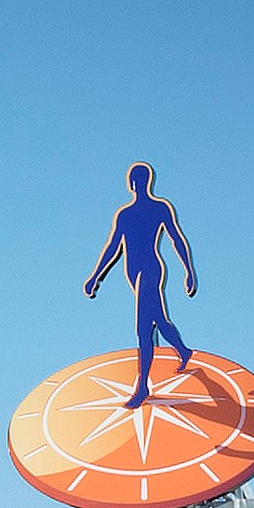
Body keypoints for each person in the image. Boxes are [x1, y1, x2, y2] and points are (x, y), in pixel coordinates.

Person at [83, 164, 200, 408]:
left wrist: (188, 270)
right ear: (133, 184)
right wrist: (96, 276)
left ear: (143, 183)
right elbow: (113, 247)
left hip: (149, 271)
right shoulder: (125, 215)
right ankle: (183, 350)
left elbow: (175, 238)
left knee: (143, 328)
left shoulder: (159, 208)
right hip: (133, 273)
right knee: (158, 319)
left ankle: (142, 387)